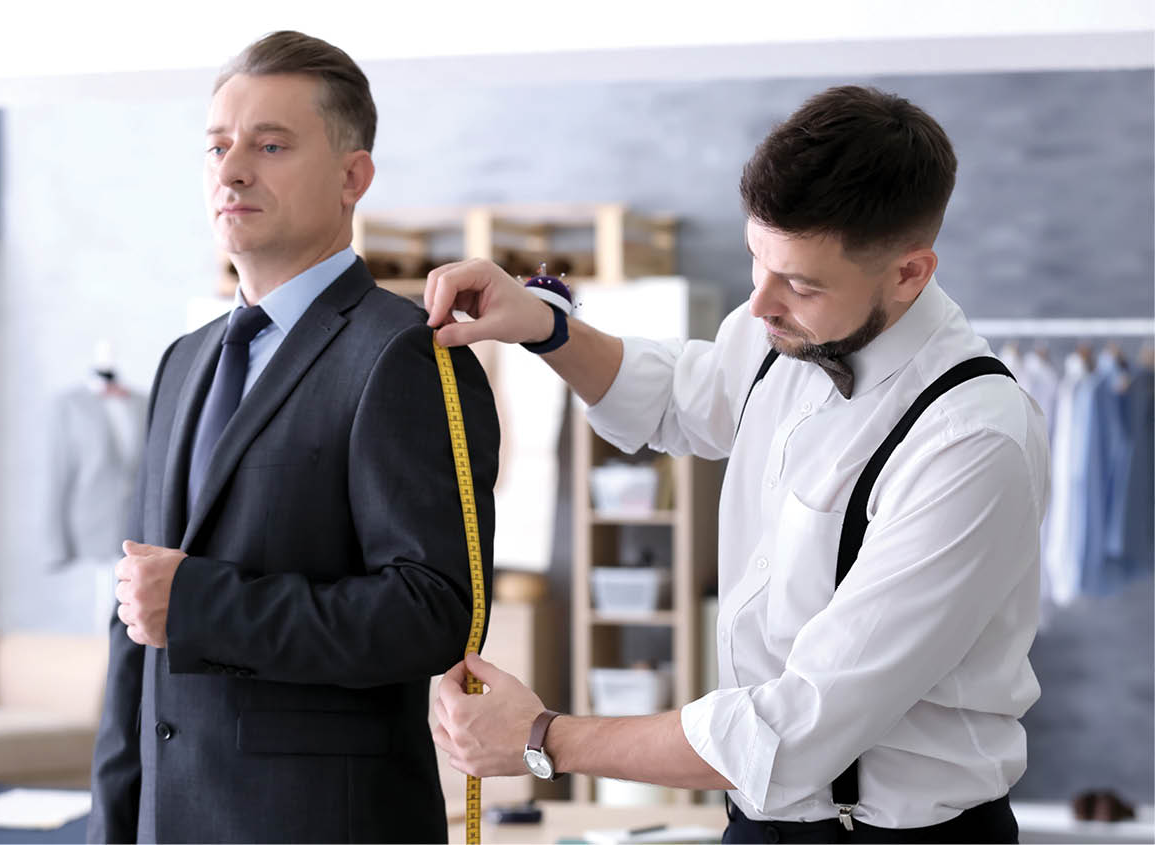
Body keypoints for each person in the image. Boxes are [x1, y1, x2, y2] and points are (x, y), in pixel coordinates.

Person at [428, 86, 1047, 843]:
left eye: (801, 283)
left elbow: (794, 730)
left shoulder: (972, 442)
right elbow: (678, 396)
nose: (759, 305)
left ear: (909, 274)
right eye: (759, 260)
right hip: (756, 823)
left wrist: (541, 737)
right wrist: (545, 327)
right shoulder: (782, 327)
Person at [87, 31, 499, 844]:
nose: (232, 170)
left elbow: (435, 611)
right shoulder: (181, 362)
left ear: (353, 177)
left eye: (270, 145)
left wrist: (203, 605)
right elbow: (135, 622)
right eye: (218, 146)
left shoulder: (408, 353)